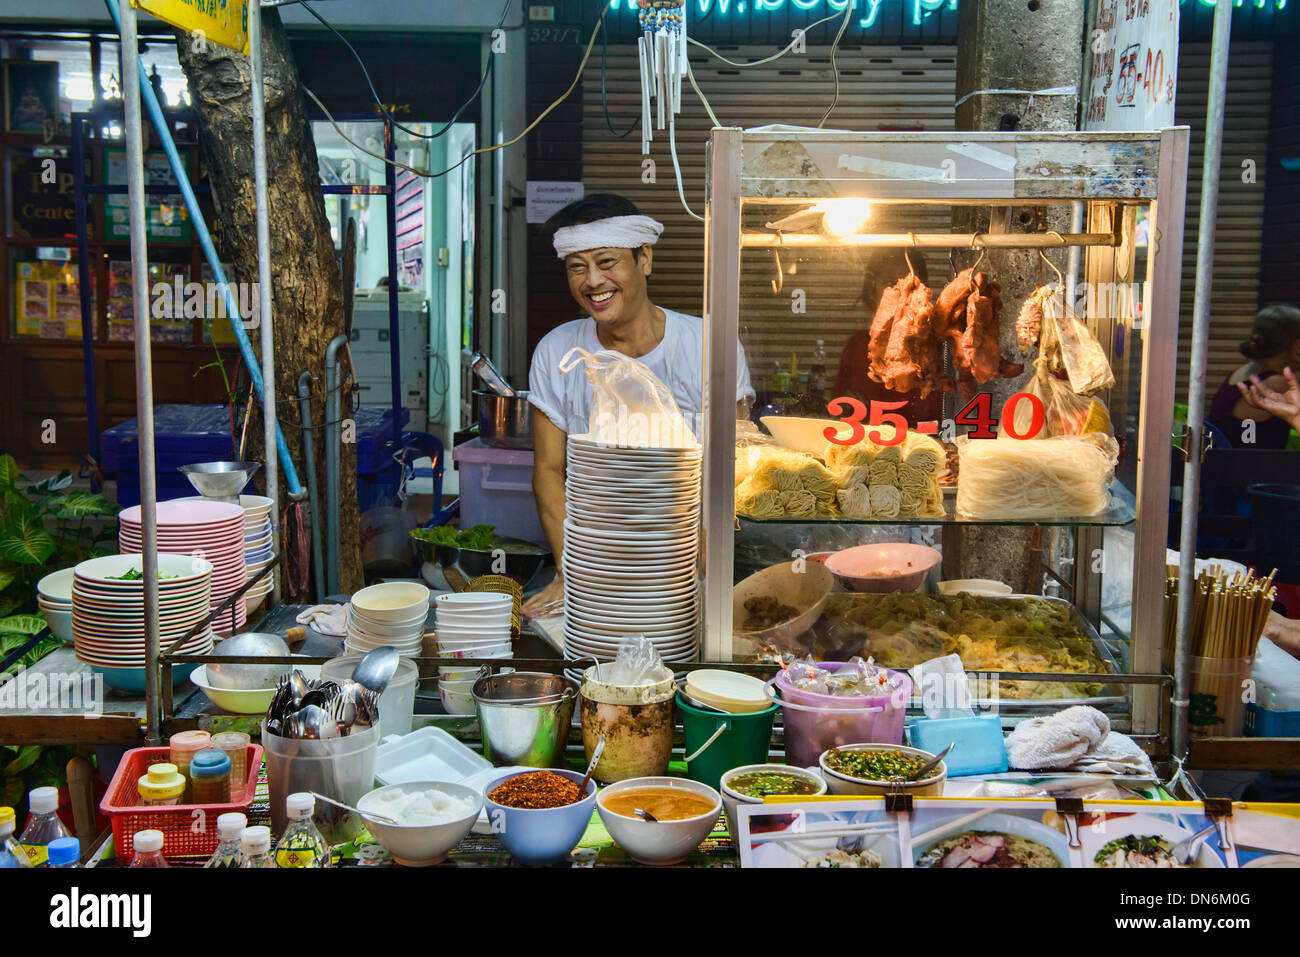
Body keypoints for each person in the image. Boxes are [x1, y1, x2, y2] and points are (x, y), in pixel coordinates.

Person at [523, 193, 756, 616]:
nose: (593, 281)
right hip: (594, 565)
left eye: (607, 262)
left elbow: (736, 470)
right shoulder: (557, 352)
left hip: (691, 563)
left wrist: (706, 568)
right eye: (577, 267)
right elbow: (549, 471)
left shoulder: (709, 345)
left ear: (644, 258)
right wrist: (571, 571)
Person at [831, 249, 944, 424]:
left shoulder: (938, 349)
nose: (902, 292)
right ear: (872, 289)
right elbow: (837, 408)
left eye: (911, 285)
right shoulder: (857, 345)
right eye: (890, 283)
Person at [1208, 305, 1300, 449]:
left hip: (1227, 464)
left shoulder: (1245, 371)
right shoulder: (1279, 383)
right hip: (1251, 467)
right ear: (1293, 344)